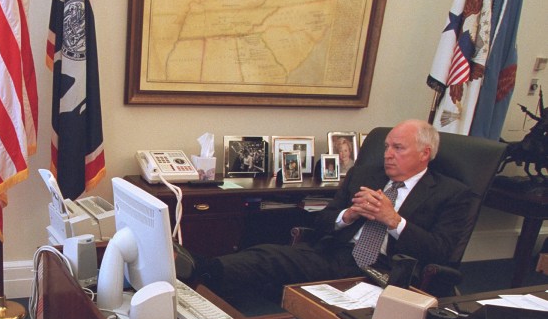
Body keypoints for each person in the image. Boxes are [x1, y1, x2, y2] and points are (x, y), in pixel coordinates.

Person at [178, 119, 476, 300]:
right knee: (267, 254)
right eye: (386, 147)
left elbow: (442, 252)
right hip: (337, 252)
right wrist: (348, 215)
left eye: (398, 148)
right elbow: (322, 221)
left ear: (425, 154)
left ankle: (198, 273)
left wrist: (394, 220)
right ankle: (201, 274)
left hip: (386, 270)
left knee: (269, 262)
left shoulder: (452, 194)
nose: (387, 155)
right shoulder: (366, 176)